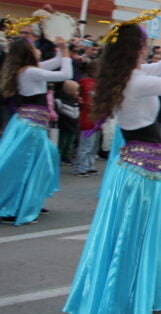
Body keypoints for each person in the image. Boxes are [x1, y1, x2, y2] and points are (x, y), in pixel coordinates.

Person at [64, 16, 161, 314]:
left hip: (144, 169)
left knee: (157, 233)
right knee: (130, 238)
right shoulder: (136, 81)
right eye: (144, 43)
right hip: (138, 172)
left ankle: (151, 291)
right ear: (137, 48)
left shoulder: (133, 75)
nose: (148, 48)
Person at [0, 36, 72, 225]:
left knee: (40, 162)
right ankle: (13, 206)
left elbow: (57, 62)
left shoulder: (31, 69)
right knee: (27, 165)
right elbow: (65, 74)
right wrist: (64, 52)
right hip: (30, 126)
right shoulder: (30, 71)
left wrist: (62, 47)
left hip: (30, 123)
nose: (37, 48)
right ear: (28, 52)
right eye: (33, 46)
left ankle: (29, 200)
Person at [73, 61, 99, 176]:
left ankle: (89, 165)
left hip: (97, 117)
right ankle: (80, 167)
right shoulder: (86, 82)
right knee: (86, 145)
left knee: (93, 146)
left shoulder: (97, 83)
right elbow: (89, 100)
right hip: (88, 118)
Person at [55, 80, 80, 165]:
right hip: (64, 125)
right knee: (62, 142)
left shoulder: (75, 102)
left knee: (70, 142)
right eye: (76, 91)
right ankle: (59, 156)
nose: (78, 93)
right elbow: (55, 109)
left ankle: (66, 155)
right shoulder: (60, 101)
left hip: (73, 125)